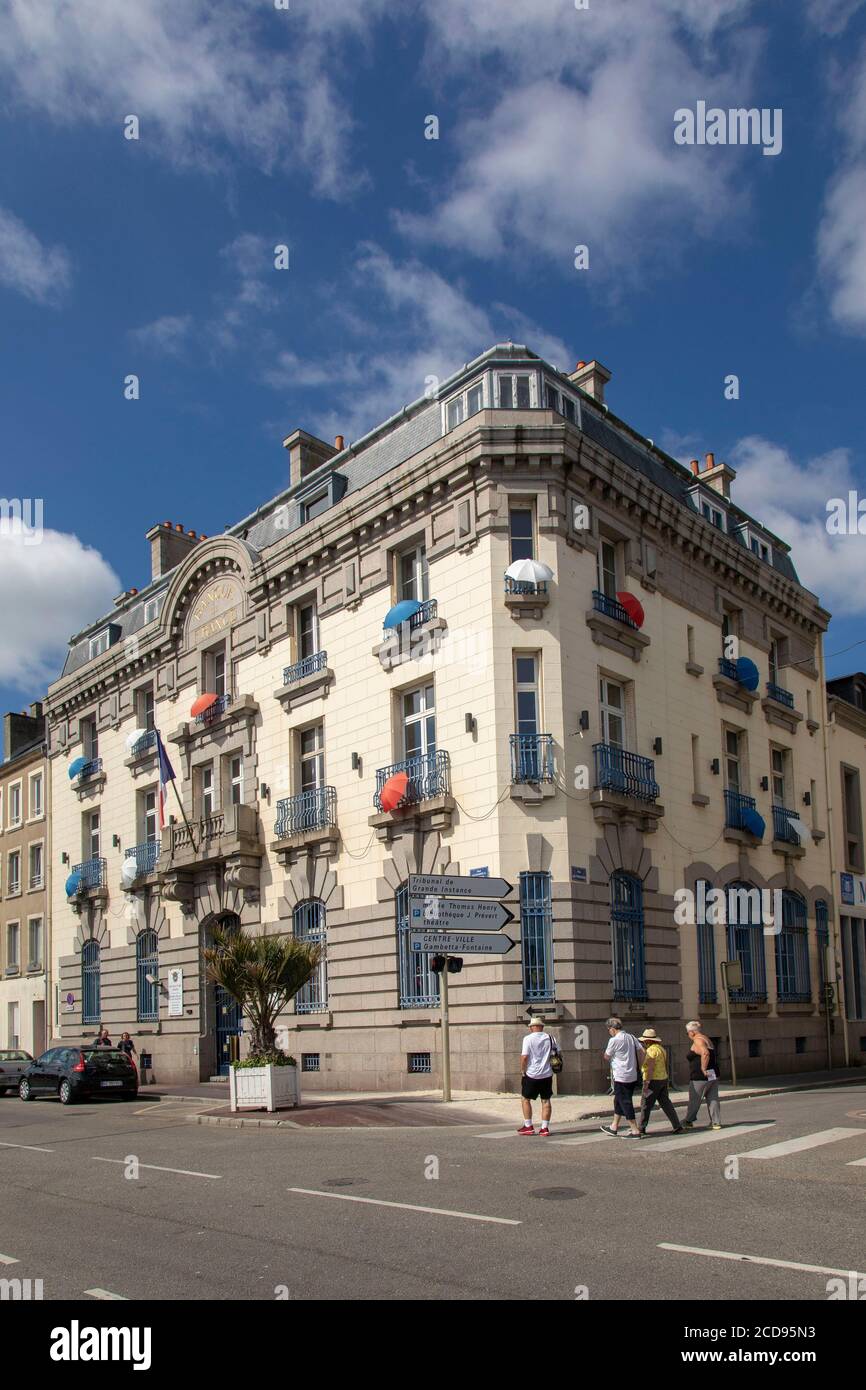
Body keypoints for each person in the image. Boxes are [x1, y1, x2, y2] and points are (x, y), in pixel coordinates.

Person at [600, 1017, 644, 1137]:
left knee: (625, 1101)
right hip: (632, 1074)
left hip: (621, 1075)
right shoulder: (631, 1037)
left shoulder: (613, 1040)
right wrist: (640, 1067)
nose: (609, 1031)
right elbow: (641, 1051)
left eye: (609, 1029)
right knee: (618, 1100)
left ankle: (634, 1129)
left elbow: (607, 1056)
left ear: (613, 1029)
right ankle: (614, 1126)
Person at [517, 1017, 559, 1136]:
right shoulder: (551, 1038)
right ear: (542, 1027)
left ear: (531, 1027)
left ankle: (528, 1125)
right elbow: (558, 1053)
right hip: (547, 1074)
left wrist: (522, 1070)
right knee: (546, 1100)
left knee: (525, 1099)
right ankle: (544, 1128)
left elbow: (524, 1056)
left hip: (532, 1074)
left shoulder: (528, 1039)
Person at [637, 1028, 683, 1135]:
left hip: (653, 1080)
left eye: (644, 1041)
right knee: (666, 1104)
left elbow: (650, 1067)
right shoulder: (661, 1049)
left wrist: (646, 1082)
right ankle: (677, 1125)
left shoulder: (651, 1051)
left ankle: (641, 1128)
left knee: (645, 1104)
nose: (643, 1043)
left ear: (647, 1041)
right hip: (663, 1078)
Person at [682, 1020, 722, 1129]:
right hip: (713, 1074)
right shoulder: (706, 1039)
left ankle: (688, 1121)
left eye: (688, 1033)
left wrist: (703, 1068)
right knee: (713, 1098)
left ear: (692, 1032)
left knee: (695, 1099)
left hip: (700, 1076)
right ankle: (716, 1122)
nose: (688, 1035)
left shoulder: (697, 1040)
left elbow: (705, 1053)